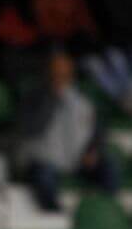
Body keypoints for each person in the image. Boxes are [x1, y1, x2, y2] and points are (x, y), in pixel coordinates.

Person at [17, 50, 120, 211]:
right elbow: (32, 128)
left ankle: (107, 210)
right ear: (48, 74)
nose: (61, 78)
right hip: (45, 159)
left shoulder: (83, 99)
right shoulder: (33, 98)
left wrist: (92, 150)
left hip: (77, 159)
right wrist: (52, 99)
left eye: (65, 74)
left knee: (108, 166)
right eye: (56, 73)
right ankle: (55, 215)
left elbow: (99, 130)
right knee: (43, 177)